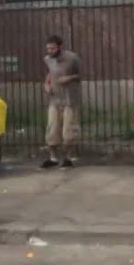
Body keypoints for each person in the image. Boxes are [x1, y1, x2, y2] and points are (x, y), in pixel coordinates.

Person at [41, 34, 82, 169]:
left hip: (70, 99)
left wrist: (68, 78)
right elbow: (50, 73)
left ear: (59, 47)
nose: (50, 51)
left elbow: (80, 75)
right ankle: (53, 158)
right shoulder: (48, 59)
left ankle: (68, 157)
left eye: (52, 48)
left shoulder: (72, 58)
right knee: (52, 128)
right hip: (54, 99)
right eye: (48, 48)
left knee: (68, 130)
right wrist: (47, 84)